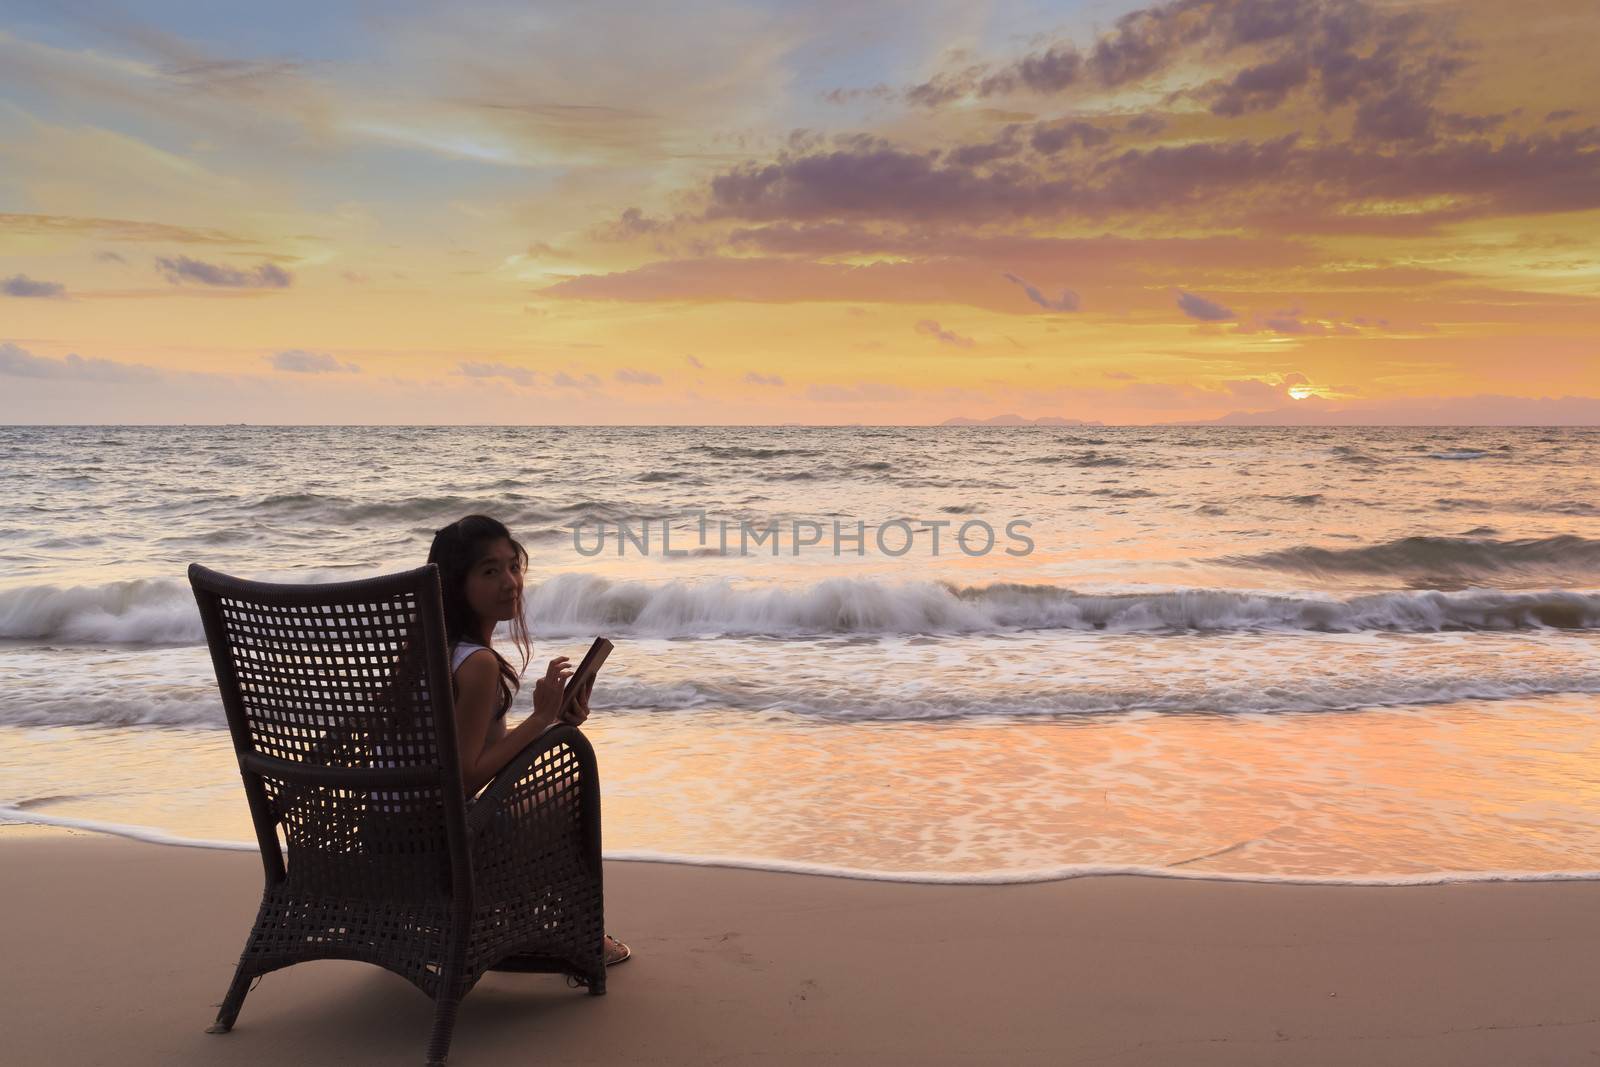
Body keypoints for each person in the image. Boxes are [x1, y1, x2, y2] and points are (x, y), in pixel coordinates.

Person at [427, 513, 630, 968]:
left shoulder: (429, 648)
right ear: (457, 585)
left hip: (389, 839)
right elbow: (465, 778)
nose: (511, 582)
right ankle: (576, 931)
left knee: (542, 786)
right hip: (442, 850)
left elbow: (468, 756)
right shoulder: (476, 664)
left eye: (513, 566)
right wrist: (540, 721)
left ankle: (524, 921)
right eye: (490, 571)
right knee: (568, 788)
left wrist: (554, 720)